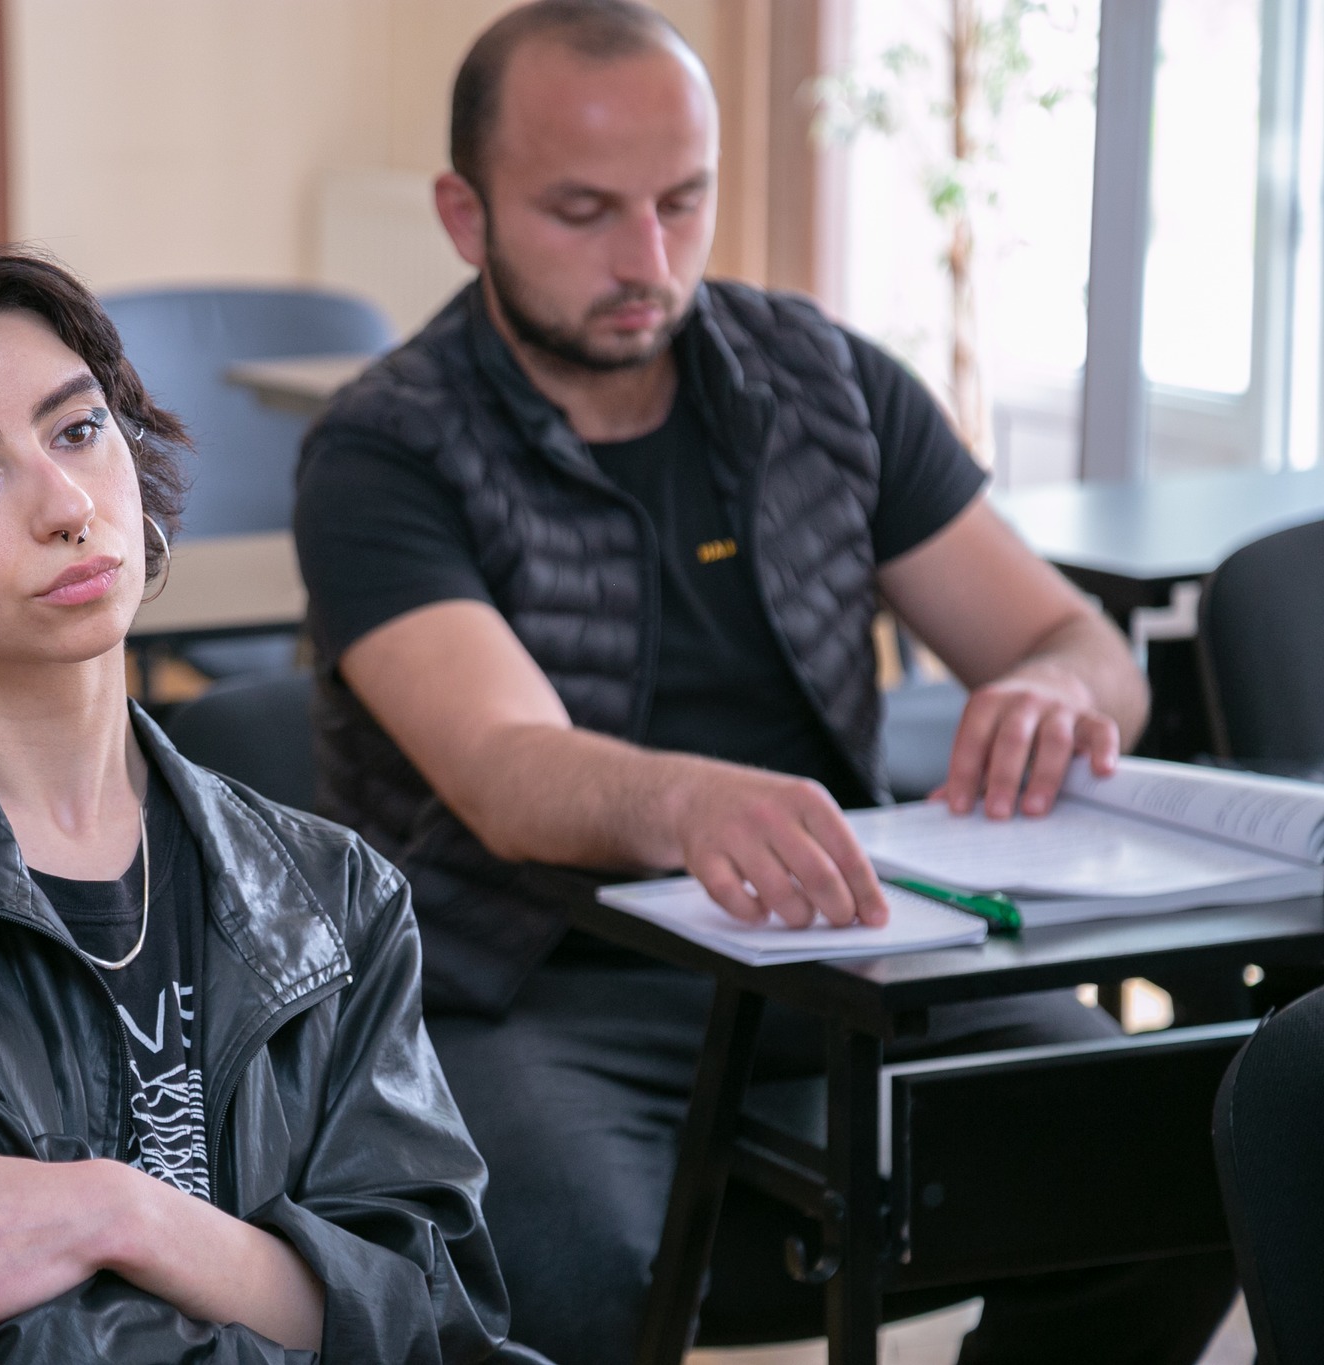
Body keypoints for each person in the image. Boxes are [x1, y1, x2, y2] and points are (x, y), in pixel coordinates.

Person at [293, 2, 1235, 1362]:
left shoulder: (822, 382)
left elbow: (1072, 642)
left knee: (1181, 1142)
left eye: (683, 201)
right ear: (464, 213)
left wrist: (1059, 693)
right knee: (560, 1269)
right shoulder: (385, 449)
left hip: (836, 938)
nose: (647, 259)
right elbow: (501, 767)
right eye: (581, 211)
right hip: (532, 979)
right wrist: (695, 806)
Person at [0, 246, 520, 1365]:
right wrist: (295, 1298)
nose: (67, 506)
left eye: (78, 431)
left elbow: (434, 1317)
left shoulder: (333, 896)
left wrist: (119, 1213)